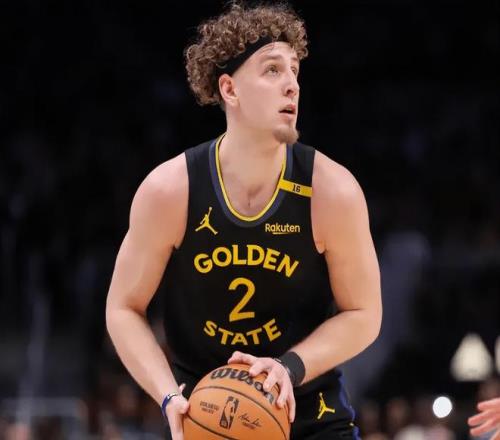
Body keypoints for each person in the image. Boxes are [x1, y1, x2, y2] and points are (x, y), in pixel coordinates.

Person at [105, 2, 382, 439]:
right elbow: (123, 308)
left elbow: (364, 313)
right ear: (230, 89)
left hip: (308, 410)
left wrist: (290, 367)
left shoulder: (332, 192)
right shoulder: (170, 191)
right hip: (206, 412)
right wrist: (167, 395)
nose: (291, 85)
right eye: (272, 70)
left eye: (295, 71)